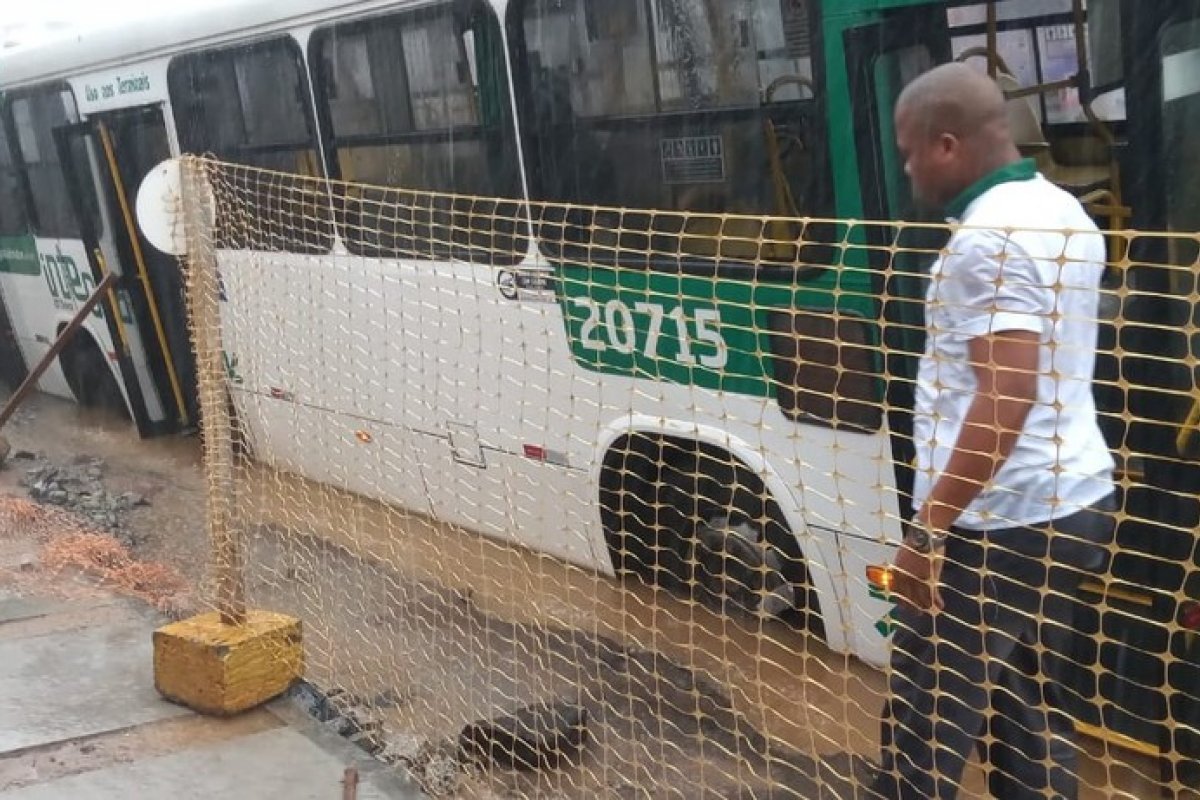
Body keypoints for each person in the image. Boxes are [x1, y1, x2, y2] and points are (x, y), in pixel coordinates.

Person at [869, 63, 1117, 799]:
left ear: (946, 145)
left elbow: (1007, 394)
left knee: (922, 727)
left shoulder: (986, 242)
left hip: (997, 523)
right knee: (1026, 708)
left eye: (910, 153)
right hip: (1071, 502)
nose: (908, 170)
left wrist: (928, 534)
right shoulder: (1064, 210)